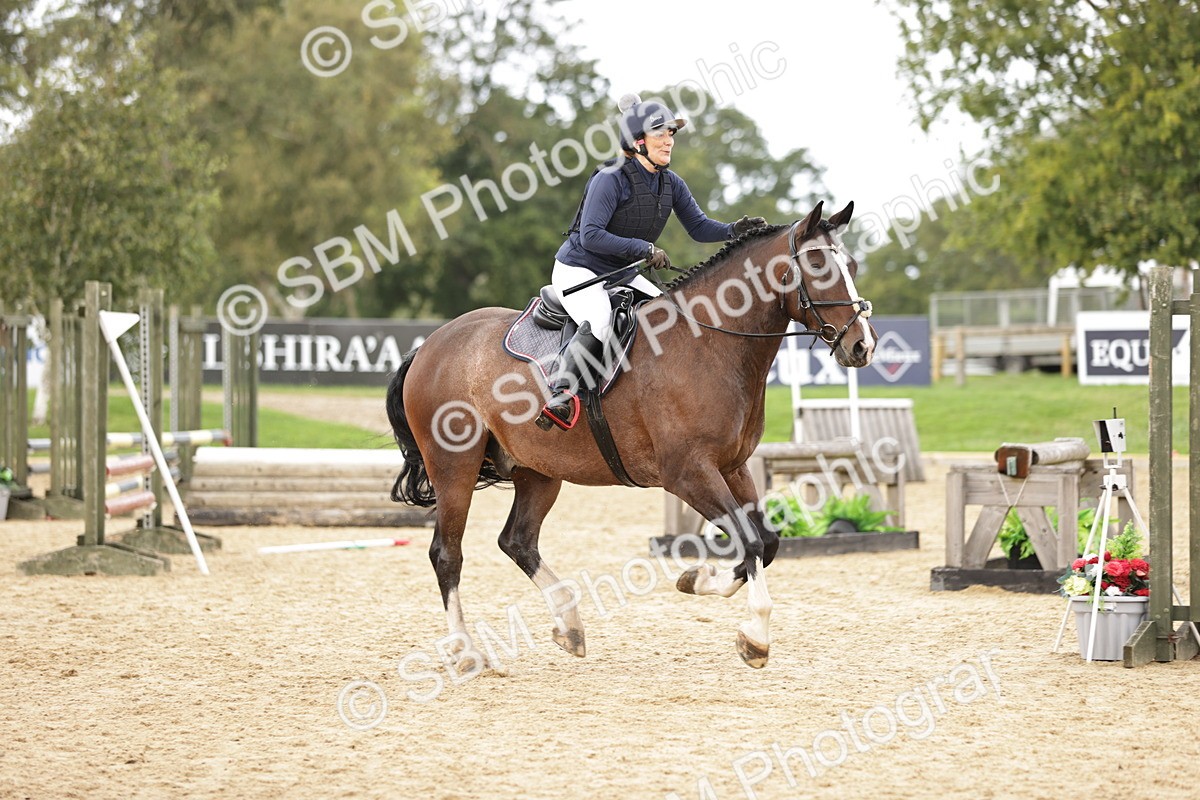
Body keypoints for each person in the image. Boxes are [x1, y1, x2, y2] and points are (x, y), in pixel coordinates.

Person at [537, 93, 767, 431]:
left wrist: (735, 230)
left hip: (620, 274)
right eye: (662, 133)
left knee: (668, 316)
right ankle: (559, 394)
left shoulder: (670, 183)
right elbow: (591, 236)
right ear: (637, 141)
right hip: (579, 270)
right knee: (601, 320)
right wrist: (644, 250)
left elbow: (699, 227)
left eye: (672, 133)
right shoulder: (610, 178)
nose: (670, 141)